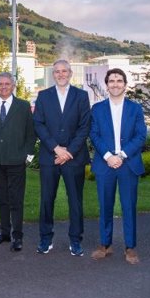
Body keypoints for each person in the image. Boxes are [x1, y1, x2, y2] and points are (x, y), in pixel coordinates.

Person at [33, 60, 91, 256]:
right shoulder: (43, 96)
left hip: (74, 158)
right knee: (47, 200)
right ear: (53, 74)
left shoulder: (82, 96)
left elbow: (84, 127)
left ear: (71, 73)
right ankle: (45, 238)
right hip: (50, 157)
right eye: (57, 71)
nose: (61, 74)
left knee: (75, 201)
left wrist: (68, 152)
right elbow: (39, 125)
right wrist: (56, 149)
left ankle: (75, 240)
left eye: (64, 71)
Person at [89, 68, 146, 265]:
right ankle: (105, 244)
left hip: (128, 164)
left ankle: (130, 247)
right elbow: (94, 134)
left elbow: (140, 136)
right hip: (105, 165)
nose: (115, 84)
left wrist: (120, 155)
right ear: (106, 85)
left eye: (119, 80)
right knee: (105, 206)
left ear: (125, 84)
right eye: (111, 81)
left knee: (128, 206)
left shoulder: (135, 108)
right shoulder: (97, 109)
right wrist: (108, 156)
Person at [0, 72, 36, 252]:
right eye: (0, 84)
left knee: (16, 199)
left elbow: (30, 132)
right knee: (1, 198)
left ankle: (17, 236)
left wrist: (28, 154)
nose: (3, 87)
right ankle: (4, 233)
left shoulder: (23, 106)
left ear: (13, 86)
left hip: (16, 161)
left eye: (7, 84)